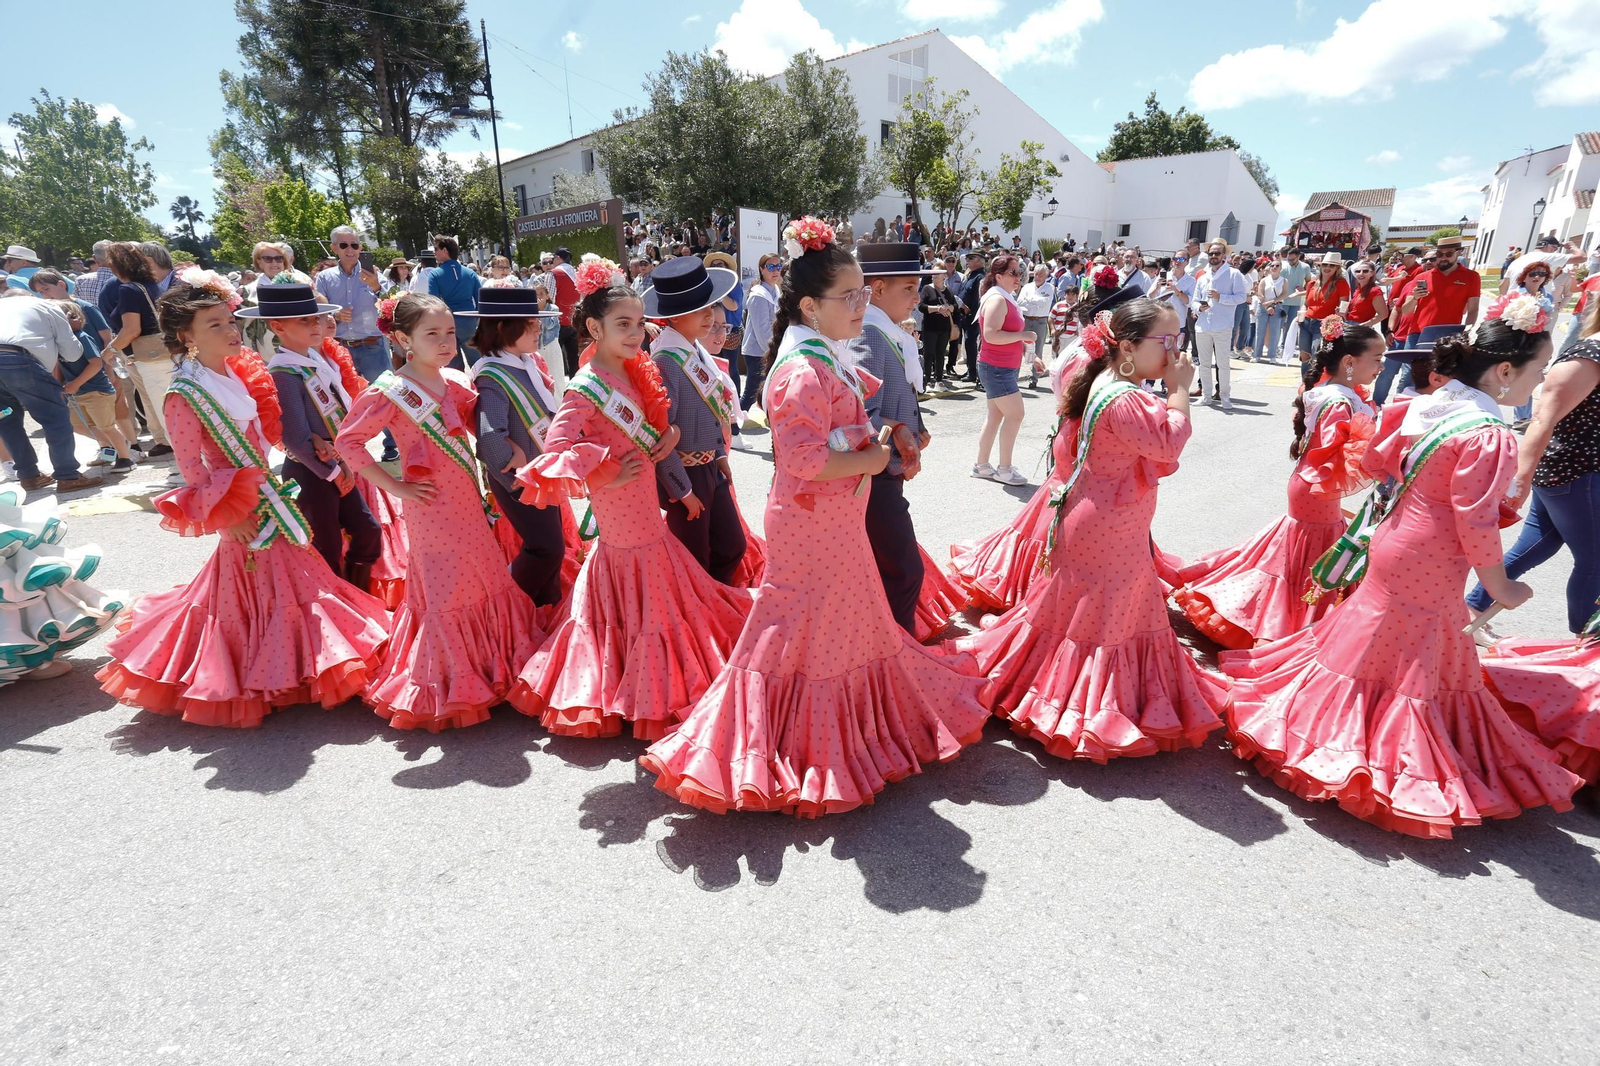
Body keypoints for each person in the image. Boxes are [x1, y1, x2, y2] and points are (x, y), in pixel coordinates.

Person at [639, 218, 988, 816]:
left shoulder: (821, 352)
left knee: (836, 622)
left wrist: (876, 439)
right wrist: (875, 454)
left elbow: (830, 437)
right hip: (812, 519)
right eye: (849, 296)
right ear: (809, 305)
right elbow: (803, 460)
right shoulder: (802, 367)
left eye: (862, 294)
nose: (862, 304)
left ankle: (843, 725)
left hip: (832, 516)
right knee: (794, 629)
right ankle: (764, 736)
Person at [1219, 307, 1579, 837]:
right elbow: (1475, 522)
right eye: (1540, 366)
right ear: (1505, 370)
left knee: (1371, 648)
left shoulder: (1432, 405)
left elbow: (1382, 462)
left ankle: (1318, 732)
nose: (1542, 378)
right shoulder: (1487, 431)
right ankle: (1379, 756)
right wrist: (1498, 584)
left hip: (1394, 540)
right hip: (1432, 557)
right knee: (1409, 659)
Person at [97, 274, 391, 727]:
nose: (231, 331)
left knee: (297, 579)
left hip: (266, 490)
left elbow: (272, 433)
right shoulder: (183, 393)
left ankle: (302, 662)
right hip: (237, 503)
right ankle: (266, 672)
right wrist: (223, 517)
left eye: (229, 321)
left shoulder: (238, 370)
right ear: (186, 337)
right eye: (214, 325)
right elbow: (191, 468)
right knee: (253, 593)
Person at [954, 297, 1227, 761]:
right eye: (1166, 341)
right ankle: (1079, 706)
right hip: (1107, 525)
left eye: (1176, 339)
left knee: (1085, 613)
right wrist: (1180, 390)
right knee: (1100, 617)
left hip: (1100, 518)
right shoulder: (1125, 396)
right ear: (1126, 347)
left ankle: (1050, 687)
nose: (1174, 351)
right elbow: (1168, 443)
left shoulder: (1111, 383)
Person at [509, 273, 751, 739]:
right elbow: (558, 447)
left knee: (655, 584)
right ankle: (632, 685)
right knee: (632, 588)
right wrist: (604, 470)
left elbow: (661, 432)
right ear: (595, 328)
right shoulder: (585, 385)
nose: (635, 333)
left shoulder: (636, 369)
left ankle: (651, 676)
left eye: (639, 323)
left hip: (646, 513)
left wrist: (672, 437)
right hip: (618, 508)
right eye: (623, 323)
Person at [333, 293, 543, 732]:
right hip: (429, 506)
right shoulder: (390, 391)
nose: (445, 342)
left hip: (466, 497)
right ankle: (452, 677)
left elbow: (479, 429)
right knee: (447, 588)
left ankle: (495, 666)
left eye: (449, 332)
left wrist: (514, 449)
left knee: (484, 574)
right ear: (403, 338)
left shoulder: (456, 381)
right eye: (432, 334)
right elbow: (348, 443)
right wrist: (393, 485)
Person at [1173, 322, 1384, 649]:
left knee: (1294, 560)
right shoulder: (1341, 400)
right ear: (1349, 362)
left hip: (1309, 486)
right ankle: (1291, 630)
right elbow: (1338, 456)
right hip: (1317, 489)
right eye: (1376, 358)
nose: (1381, 366)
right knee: (1313, 564)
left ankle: (1285, 622)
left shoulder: (1332, 391)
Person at [951, 285, 1142, 615]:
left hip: (1074, 445)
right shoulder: (1088, 358)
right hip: (1079, 449)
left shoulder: (1091, 355)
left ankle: (986, 465)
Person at [1466, 294, 1600, 636]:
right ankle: (1588, 643)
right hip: (1574, 473)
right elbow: (1542, 419)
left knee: (1536, 546)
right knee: (1595, 561)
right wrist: (1521, 479)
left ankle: (1469, 614)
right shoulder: (1590, 357)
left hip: (1572, 472)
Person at [245, 282, 384, 593]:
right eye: (304, 320)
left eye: (316, 317)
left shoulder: (315, 362)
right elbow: (295, 438)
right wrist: (334, 471)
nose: (316, 324)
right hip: (312, 473)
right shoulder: (284, 372)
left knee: (368, 532)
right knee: (327, 547)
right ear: (278, 326)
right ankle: (336, 610)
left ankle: (354, 598)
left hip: (334, 466)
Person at [855, 243, 957, 636]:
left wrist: (913, 428)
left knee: (892, 568)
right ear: (877, 289)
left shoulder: (884, 330)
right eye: (910, 288)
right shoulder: (870, 332)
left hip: (883, 469)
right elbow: (864, 410)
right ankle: (894, 652)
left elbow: (891, 397)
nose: (918, 297)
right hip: (874, 473)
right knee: (903, 570)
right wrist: (900, 433)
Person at [464, 286, 576, 614]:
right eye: (530, 321)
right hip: (519, 479)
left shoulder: (523, 361)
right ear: (502, 327)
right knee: (546, 548)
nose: (538, 326)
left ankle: (546, 610)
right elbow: (489, 435)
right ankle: (501, 610)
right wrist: (509, 465)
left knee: (552, 548)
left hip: (540, 473)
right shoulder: (492, 374)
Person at [643, 255, 748, 584]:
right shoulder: (665, 362)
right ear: (674, 317)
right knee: (693, 559)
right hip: (686, 475)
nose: (710, 315)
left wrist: (718, 454)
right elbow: (661, 438)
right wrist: (680, 490)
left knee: (732, 545)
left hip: (709, 469)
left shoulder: (693, 351)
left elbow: (710, 410)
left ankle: (715, 607)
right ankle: (699, 622)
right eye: (700, 309)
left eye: (711, 306)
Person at [0, 292, 102, 491]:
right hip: (17, 359)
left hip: (14, 357)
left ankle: (28, 475)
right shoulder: (47, 306)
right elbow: (72, 354)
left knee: (7, 420)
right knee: (55, 418)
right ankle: (67, 475)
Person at [315, 226, 397, 463]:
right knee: (339, 398)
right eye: (344, 245)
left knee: (385, 395)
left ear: (361, 248)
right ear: (334, 249)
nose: (350, 250)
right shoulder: (325, 278)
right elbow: (319, 311)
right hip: (339, 348)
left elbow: (394, 302)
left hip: (373, 346)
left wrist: (377, 287)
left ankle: (393, 443)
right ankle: (343, 447)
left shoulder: (374, 275)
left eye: (354, 245)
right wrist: (336, 316)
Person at [48, 298, 134, 472]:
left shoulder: (82, 338)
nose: (74, 320)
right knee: (79, 426)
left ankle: (126, 459)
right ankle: (115, 446)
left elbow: (96, 363)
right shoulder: (58, 342)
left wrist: (76, 383)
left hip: (97, 390)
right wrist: (59, 386)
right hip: (76, 393)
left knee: (106, 427)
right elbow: (58, 366)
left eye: (72, 316)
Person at [971, 254, 1033, 485]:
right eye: (1013, 273)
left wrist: (1029, 354)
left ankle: (982, 465)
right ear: (999, 276)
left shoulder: (1002, 297)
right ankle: (1004, 469)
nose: (1018, 277)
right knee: (1015, 415)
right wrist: (1023, 336)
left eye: (1019, 272)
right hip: (996, 367)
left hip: (999, 366)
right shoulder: (998, 299)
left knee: (995, 417)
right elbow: (990, 335)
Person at [1190, 240, 1248, 409]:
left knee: (1222, 363)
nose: (1213, 256)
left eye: (1217, 253)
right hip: (1203, 325)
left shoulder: (1233, 274)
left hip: (1222, 326)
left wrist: (1220, 297)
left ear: (1224, 256)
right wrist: (1198, 307)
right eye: (1211, 253)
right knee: (1204, 363)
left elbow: (1241, 298)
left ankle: (1224, 396)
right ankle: (1206, 395)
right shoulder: (1203, 276)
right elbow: (1194, 300)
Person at [1401, 235, 1481, 348]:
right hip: (1418, 333)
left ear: (1459, 252)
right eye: (1439, 254)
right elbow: (1405, 311)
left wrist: (1467, 333)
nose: (1443, 258)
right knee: (1411, 366)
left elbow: (1473, 310)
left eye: (1448, 254)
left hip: (1448, 336)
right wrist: (1414, 298)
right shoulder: (1422, 277)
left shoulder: (1471, 277)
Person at [425, 235, 482, 367]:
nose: (434, 252)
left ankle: (458, 387)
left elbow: (433, 301)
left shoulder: (435, 274)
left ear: (445, 250)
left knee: (453, 366)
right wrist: (477, 319)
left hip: (448, 323)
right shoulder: (471, 273)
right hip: (469, 321)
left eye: (436, 249)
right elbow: (480, 299)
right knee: (477, 363)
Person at [740, 253, 782, 422]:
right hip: (758, 353)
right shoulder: (759, 295)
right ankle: (732, 430)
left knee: (768, 392)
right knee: (751, 393)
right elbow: (762, 331)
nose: (776, 270)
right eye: (771, 267)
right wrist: (774, 352)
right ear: (761, 269)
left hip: (768, 350)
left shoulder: (774, 290)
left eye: (778, 266)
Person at [1295, 253, 1351, 360]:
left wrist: (1340, 313)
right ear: (1320, 266)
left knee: (1317, 355)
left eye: (1331, 265)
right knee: (1304, 355)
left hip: (1325, 324)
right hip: (1306, 322)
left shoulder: (1341, 283)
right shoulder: (1312, 283)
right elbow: (1306, 304)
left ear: (1337, 268)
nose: (1327, 268)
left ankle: (1316, 377)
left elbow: (1344, 305)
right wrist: (1301, 314)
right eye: (1325, 265)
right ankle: (1306, 377)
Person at [918, 264, 959, 389]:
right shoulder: (927, 288)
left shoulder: (948, 290)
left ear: (943, 275)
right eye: (933, 273)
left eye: (938, 273)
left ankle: (939, 379)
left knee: (940, 353)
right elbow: (921, 306)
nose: (935, 275)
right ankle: (928, 379)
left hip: (944, 328)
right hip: (930, 327)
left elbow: (955, 306)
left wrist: (949, 308)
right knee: (929, 353)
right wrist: (937, 309)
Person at [1017, 262, 1056, 389]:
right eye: (1036, 274)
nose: (1038, 276)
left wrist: (1031, 300)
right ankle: (1014, 376)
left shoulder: (1049, 288)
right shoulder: (1027, 287)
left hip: (1040, 321)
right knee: (1019, 348)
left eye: (1041, 275)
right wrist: (1036, 300)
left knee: (1037, 349)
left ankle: (1034, 378)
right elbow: (1020, 302)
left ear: (1046, 276)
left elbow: (1045, 302)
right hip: (1026, 319)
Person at [548, 247, 581, 377]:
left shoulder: (554, 273)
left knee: (556, 360)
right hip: (574, 321)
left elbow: (550, 298)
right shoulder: (578, 273)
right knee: (574, 359)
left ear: (558, 258)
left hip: (557, 322)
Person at [1277, 247, 1313, 359]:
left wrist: (1304, 288)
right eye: (1288, 259)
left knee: (1291, 327)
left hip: (1296, 301)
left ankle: (1285, 347)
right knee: (1278, 325)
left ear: (1298, 257)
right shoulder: (1283, 267)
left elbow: (1309, 283)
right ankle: (1277, 347)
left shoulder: (1305, 267)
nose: (1290, 261)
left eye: (1292, 259)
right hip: (1282, 300)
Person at [1252, 259, 1287, 365]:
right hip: (1263, 306)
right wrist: (1267, 305)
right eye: (1272, 265)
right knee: (1259, 331)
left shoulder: (1284, 280)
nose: (1274, 267)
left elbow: (1284, 294)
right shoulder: (1264, 280)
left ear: (1280, 268)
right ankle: (1257, 355)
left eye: (1277, 265)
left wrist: (1273, 303)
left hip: (1277, 306)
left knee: (1275, 332)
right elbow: (1260, 294)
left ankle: (1272, 356)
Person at [1345, 259, 1388, 330]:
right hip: (1349, 324)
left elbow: (1383, 314)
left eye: (1365, 271)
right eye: (1358, 271)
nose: (1361, 273)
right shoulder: (1358, 290)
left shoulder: (1374, 291)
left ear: (1372, 273)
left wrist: (1363, 326)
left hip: (1360, 329)